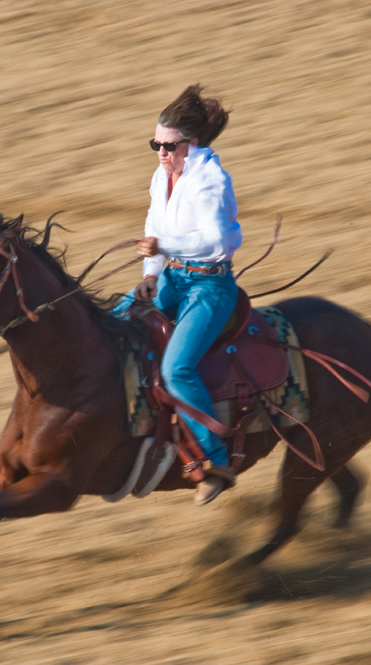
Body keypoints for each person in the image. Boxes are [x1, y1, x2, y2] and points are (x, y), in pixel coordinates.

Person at [130, 84, 243, 506]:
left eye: (168, 145)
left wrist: (165, 249)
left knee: (178, 369)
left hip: (210, 286)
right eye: (154, 144)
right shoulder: (163, 175)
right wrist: (151, 274)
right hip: (173, 278)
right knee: (115, 320)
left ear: (191, 145)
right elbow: (153, 224)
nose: (160, 152)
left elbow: (216, 240)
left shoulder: (211, 179)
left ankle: (215, 465)